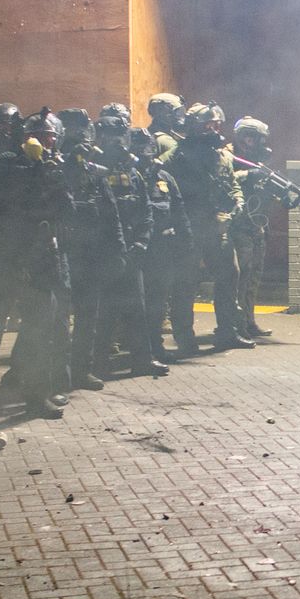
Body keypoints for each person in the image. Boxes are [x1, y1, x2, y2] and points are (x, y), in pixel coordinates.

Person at [0, 109, 72, 419]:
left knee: (40, 331)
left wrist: (54, 175)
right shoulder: (5, 166)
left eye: (48, 138)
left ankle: (37, 397)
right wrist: (33, 172)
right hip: (5, 260)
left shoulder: (58, 167)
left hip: (42, 261)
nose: (42, 142)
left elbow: (66, 210)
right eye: (34, 137)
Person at [162, 102, 252, 350]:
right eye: (209, 125)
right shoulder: (175, 158)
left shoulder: (221, 156)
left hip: (218, 228)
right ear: (196, 127)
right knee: (185, 284)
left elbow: (232, 184)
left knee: (229, 277)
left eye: (217, 124)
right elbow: (163, 188)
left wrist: (238, 203)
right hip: (189, 231)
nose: (215, 129)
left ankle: (227, 331)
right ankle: (185, 337)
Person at [55, 108, 124, 391]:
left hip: (91, 255)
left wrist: (117, 247)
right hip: (63, 255)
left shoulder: (95, 174)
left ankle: (81, 370)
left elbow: (111, 212)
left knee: (88, 318)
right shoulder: (53, 169)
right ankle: (52, 375)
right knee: (56, 320)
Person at [94, 115, 168, 377]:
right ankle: (97, 363)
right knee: (104, 311)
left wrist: (140, 243)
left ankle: (142, 359)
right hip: (105, 254)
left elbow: (145, 209)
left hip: (133, 251)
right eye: (109, 135)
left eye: (119, 135)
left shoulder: (131, 171)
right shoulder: (94, 170)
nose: (115, 141)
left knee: (138, 309)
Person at [129, 127, 194, 360]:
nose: (147, 156)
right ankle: (138, 349)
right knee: (137, 302)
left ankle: (154, 347)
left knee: (158, 300)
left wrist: (186, 241)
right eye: (141, 150)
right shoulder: (129, 176)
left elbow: (179, 210)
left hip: (163, 249)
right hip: (139, 249)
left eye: (149, 151)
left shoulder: (164, 178)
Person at [228, 116, 287, 341]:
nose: (262, 144)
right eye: (258, 139)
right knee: (240, 277)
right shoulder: (227, 156)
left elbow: (263, 187)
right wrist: (248, 175)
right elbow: (222, 178)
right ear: (247, 138)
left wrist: (283, 197)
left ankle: (249, 320)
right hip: (238, 225)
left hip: (256, 224)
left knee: (253, 276)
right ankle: (236, 323)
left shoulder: (256, 160)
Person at [145, 93, 184, 157]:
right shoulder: (164, 140)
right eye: (177, 112)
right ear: (164, 113)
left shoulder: (150, 134)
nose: (180, 116)